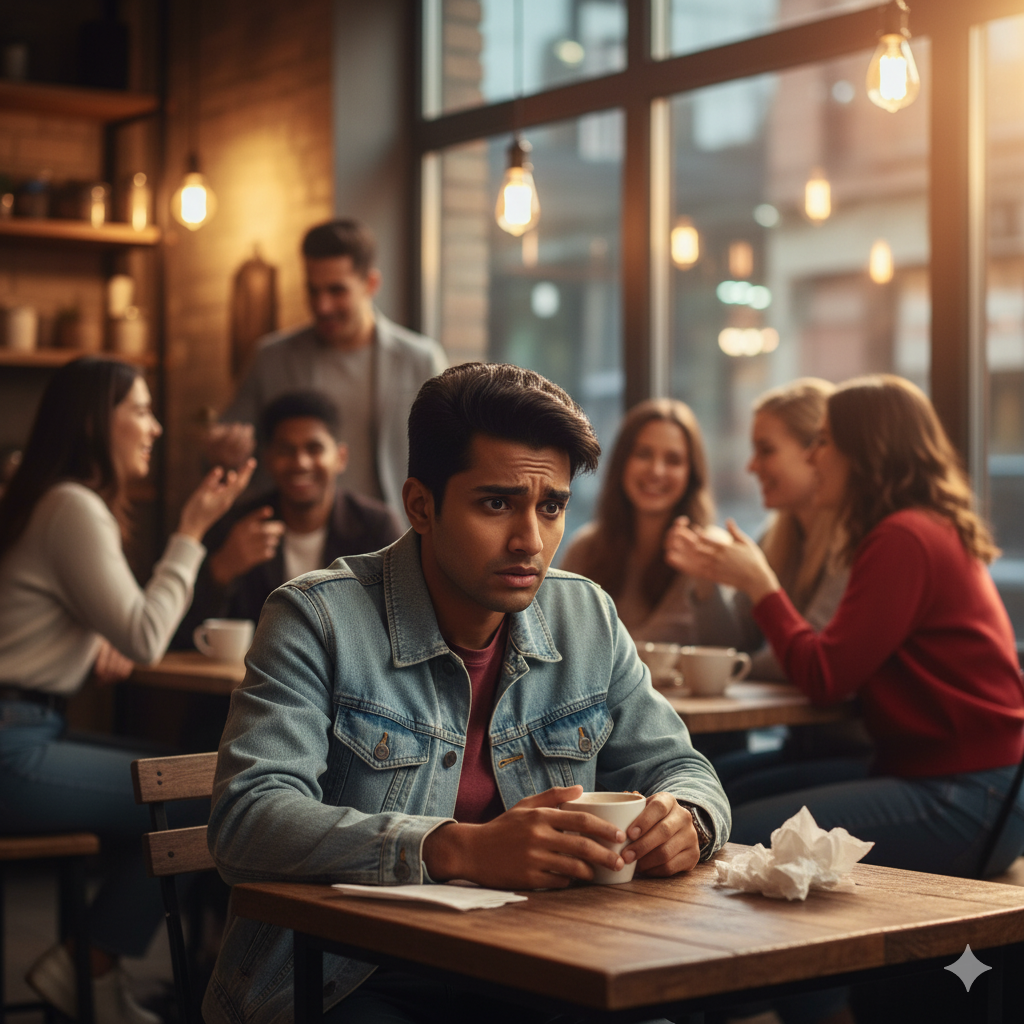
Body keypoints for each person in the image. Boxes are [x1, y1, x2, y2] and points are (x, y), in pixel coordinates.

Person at [202, 363, 731, 1024]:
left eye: (551, 506)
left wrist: (690, 819)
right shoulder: (317, 618)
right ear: (421, 505)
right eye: (496, 503)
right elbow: (247, 820)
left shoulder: (586, 616)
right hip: (352, 977)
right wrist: (459, 848)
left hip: (544, 962)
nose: (529, 541)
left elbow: (683, 769)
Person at [668, 374, 1024, 880]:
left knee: (737, 826)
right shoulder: (915, 528)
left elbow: (825, 676)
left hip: (967, 798)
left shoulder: (902, 538)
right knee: (724, 798)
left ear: (865, 450)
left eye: (825, 441)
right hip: (960, 783)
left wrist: (764, 587)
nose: (814, 456)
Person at [0, 357, 253, 1024]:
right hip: (14, 743)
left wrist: (87, 641)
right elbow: (145, 635)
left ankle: (89, 967)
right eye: (140, 410)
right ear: (95, 421)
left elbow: (51, 628)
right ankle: (89, 964)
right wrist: (192, 532)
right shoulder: (72, 506)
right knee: (205, 793)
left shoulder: (51, 499)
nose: (156, 426)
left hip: (29, 725)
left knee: (186, 776)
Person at [210, 218, 448, 520]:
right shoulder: (271, 358)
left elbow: (448, 459)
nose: (322, 306)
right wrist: (224, 449)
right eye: (313, 290)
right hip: (297, 538)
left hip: (393, 538)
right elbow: (231, 448)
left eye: (337, 291)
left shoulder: (420, 360)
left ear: (370, 284)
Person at [177, 390, 402, 641]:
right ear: (268, 459)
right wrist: (221, 570)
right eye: (286, 450)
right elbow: (183, 635)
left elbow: (405, 623)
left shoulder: (376, 527)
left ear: (340, 458)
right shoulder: (239, 525)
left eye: (314, 448)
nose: (301, 462)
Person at [559, 398, 735, 647]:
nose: (657, 471)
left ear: (691, 473)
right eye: (643, 454)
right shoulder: (585, 548)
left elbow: (726, 649)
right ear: (622, 463)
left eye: (673, 460)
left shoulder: (709, 548)